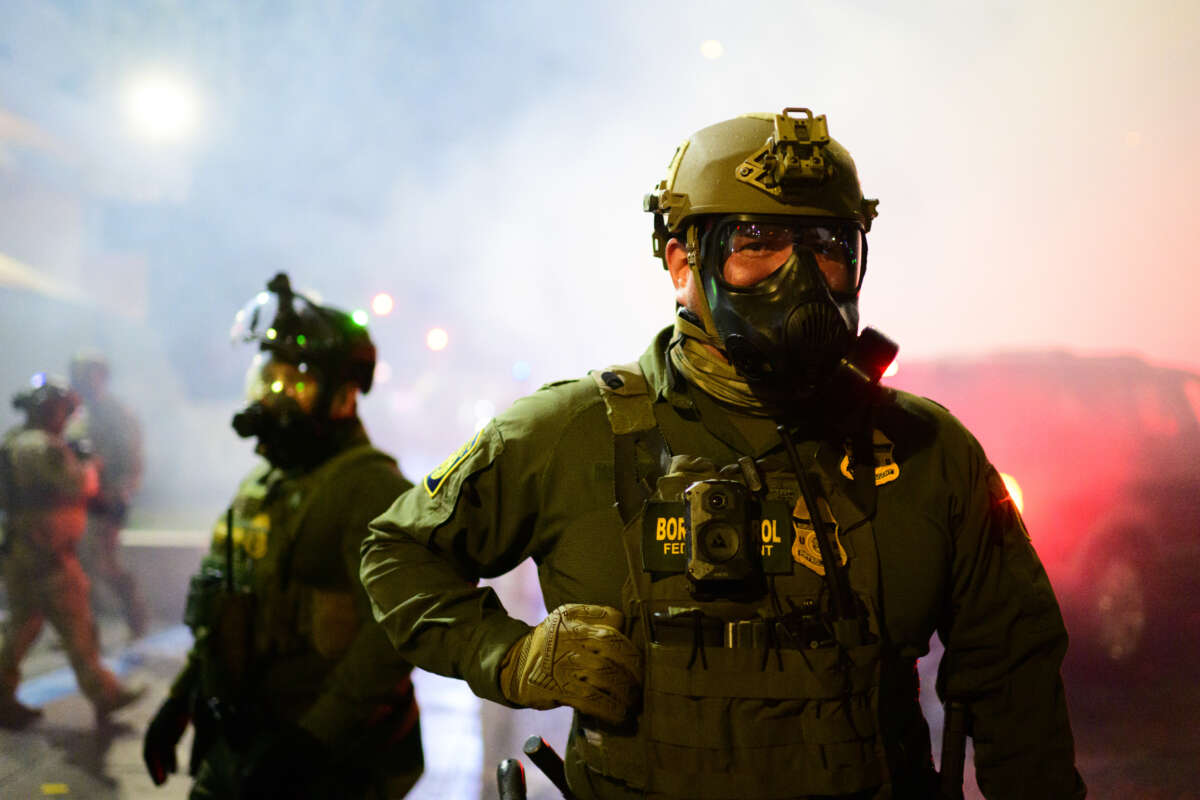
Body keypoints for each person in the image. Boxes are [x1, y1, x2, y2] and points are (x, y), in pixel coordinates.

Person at [359, 108, 1087, 799]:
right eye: (756, 243)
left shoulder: (929, 453)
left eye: (827, 247)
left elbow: (1014, 677)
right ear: (682, 262)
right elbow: (396, 553)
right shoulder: (571, 432)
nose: (798, 277)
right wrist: (509, 658)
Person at [142, 273, 423, 799]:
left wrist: (310, 740)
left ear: (342, 399)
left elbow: (392, 639)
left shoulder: (370, 491)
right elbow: (222, 607)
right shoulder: (265, 483)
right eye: (264, 379)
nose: (271, 398)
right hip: (239, 744)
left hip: (328, 764)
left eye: (292, 384)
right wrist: (180, 701)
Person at [0, 375, 144, 728]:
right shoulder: (43, 447)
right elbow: (77, 484)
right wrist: (89, 464)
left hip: (23, 550)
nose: (65, 417)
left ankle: (2, 695)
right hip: (46, 554)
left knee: (22, 625)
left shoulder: (14, 442)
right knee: (77, 624)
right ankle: (104, 694)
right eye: (62, 410)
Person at [66, 349, 149, 639]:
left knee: (105, 564)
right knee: (79, 566)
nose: (81, 380)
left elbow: (132, 460)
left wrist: (121, 493)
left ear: (101, 376)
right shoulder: (77, 413)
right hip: (79, 501)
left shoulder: (117, 414)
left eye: (88, 374)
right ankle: (85, 631)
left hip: (107, 499)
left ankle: (136, 617)